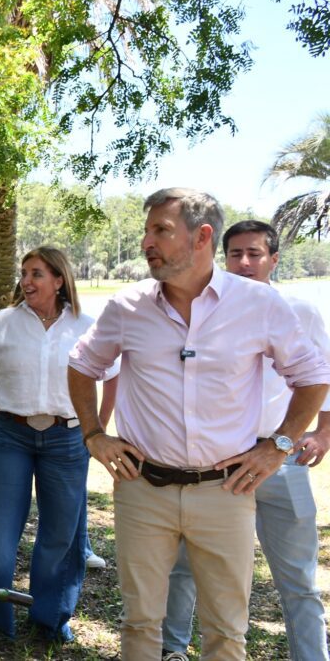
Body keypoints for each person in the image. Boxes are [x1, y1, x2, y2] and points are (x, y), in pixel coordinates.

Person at [67, 187, 330, 660]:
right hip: (143, 489)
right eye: (147, 229)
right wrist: (94, 434)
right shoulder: (127, 307)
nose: (148, 241)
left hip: (227, 492)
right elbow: (83, 365)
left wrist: (279, 445)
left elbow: (312, 377)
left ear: (202, 236)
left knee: (226, 630)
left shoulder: (259, 305)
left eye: (161, 230)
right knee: (140, 622)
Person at [161, 219, 330, 661]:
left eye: (255, 253)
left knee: (299, 581)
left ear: (274, 260)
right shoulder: (202, 313)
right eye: (235, 253)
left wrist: (324, 432)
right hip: (214, 463)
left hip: (281, 460)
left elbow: (323, 376)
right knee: (184, 568)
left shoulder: (301, 312)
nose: (245, 262)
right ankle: (172, 651)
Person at [0, 247, 116, 642]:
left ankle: (50, 619)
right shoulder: (6, 322)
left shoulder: (86, 326)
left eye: (36, 274)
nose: (26, 281)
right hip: (11, 435)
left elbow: (113, 374)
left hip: (67, 438)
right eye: (24, 273)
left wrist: (97, 429)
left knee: (61, 533)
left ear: (59, 280)